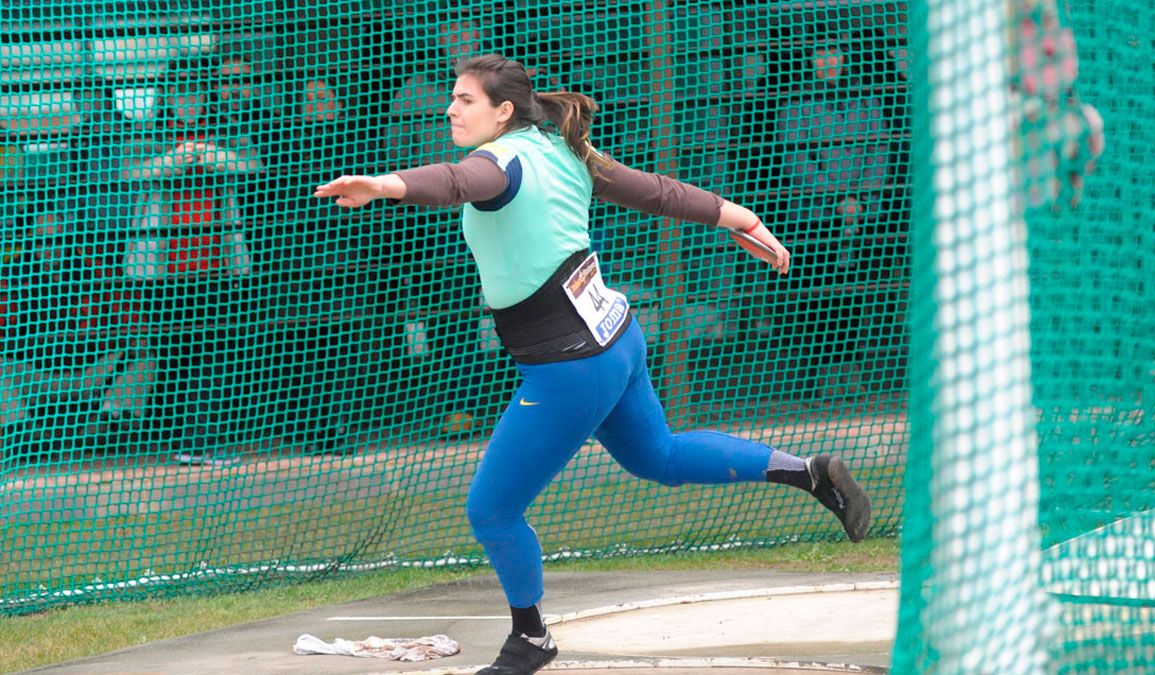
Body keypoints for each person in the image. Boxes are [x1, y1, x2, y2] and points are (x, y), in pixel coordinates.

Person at [315, 54, 871, 675]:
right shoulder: (562, 147)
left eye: (466, 99)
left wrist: (385, 184)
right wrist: (740, 216)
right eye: (454, 97)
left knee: (492, 511)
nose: (451, 108)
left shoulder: (499, 162)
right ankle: (809, 473)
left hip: (573, 367)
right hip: (617, 339)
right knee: (657, 457)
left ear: (503, 110)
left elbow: (454, 182)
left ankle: (531, 639)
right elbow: (656, 192)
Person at [121, 58, 262, 467]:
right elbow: (130, 173)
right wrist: (174, 161)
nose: (188, 101)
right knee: (176, 353)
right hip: (163, 268)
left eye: (195, 91)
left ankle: (203, 442)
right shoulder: (150, 133)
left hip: (218, 263)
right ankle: (185, 440)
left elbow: (252, 165)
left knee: (215, 351)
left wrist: (210, 155)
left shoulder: (228, 130)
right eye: (179, 92)